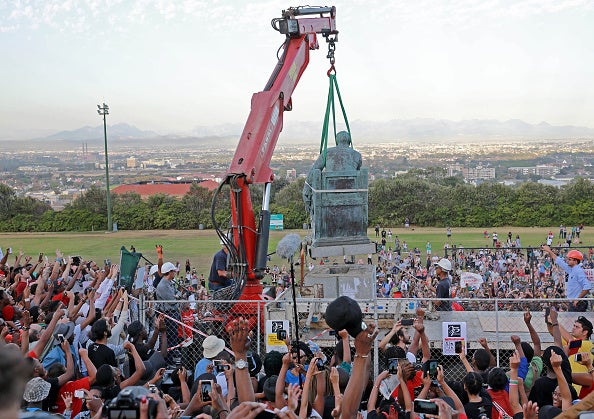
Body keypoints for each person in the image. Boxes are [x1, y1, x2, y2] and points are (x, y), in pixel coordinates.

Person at [303, 130, 362, 214]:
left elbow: (314, 170)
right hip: (352, 195)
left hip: (329, 196)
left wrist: (306, 189)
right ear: (349, 141)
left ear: (337, 141)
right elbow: (358, 174)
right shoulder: (357, 155)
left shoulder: (327, 153)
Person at [541, 246, 591, 311]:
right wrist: (549, 251)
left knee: (576, 320)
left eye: (569, 259)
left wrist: (578, 299)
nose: (567, 261)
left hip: (578, 303)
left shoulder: (578, 271)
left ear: (575, 261)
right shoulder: (572, 269)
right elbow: (559, 261)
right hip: (574, 302)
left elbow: (587, 287)